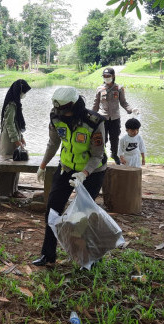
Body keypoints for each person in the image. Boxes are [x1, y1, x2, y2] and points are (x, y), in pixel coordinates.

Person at [32, 86, 107, 266]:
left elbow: (97, 155)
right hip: (66, 168)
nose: (61, 114)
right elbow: (53, 143)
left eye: (65, 110)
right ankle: (48, 255)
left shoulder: (94, 122)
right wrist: (42, 166)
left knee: (83, 215)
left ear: (74, 105)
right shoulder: (56, 115)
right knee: (52, 209)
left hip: (92, 171)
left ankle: (91, 256)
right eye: (58, 110)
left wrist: (84, 174)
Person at [0, 79, 31, 198]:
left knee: (15, 164)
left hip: (13, 137)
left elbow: (16, 124)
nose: (24, 95)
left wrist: (21, 137)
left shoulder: (16, 104)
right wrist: (16, 140)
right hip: (8, 140)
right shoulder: (11, 105)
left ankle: (13, 190)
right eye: (24, 92)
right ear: (19, 92)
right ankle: (0, 191)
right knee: (6, 165)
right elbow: (9, 124)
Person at [92, 67, 138, 165]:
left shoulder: (119, 88)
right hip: (102, 118)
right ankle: (102, 155)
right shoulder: (100, 89)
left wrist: (131, 109)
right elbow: (95, 104)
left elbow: (123, 103)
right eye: (104, 76)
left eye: (108, 76)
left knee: (114, 138)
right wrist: (91, 116)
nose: (106, 78)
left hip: (115, 118)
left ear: (113, 76)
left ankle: (114, 154)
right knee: (102, 138)